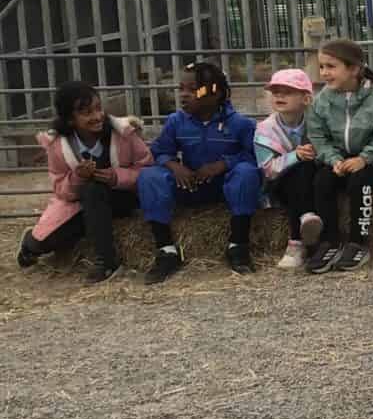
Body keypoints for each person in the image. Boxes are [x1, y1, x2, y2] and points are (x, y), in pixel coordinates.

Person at [137, 61, 261, 284]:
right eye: (181, 89)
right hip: (190, 185)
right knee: (150, 176)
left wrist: (222, 165)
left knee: (246, 172)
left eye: (193, 89)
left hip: (224, 189)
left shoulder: (240, 124)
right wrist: (175, 166)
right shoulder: (176, 122)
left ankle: (238, 245)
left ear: (216, 92)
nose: (184, 95)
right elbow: (160, 151)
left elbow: (254, 155)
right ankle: (166, 250)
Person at [17, 82, 151, 284]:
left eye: (98, 108)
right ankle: (30, 244)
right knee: (49, 238)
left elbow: (147, 168)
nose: (97, 116)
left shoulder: (124, 134)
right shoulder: (58, 145)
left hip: (123, 196)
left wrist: (117, 177)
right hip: (80, 205)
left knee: (94, 190)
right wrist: (77, 177)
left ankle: (106, 262)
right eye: (87, 113)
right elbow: (60, 189)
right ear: (70, 119)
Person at [304, 40, 373, 274]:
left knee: (360, 182)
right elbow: (318, 136)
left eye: (331, 66)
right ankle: (329, 242)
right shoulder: (321, 102)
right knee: (322, 180)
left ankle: (358, 243)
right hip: (339, 160)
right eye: (322, 66)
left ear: (354, 69)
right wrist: (333, 159)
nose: (324, 72)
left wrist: (364, 158)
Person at [254, 67, 321, 270]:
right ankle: (299, 235)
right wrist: (295, 156)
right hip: (279, 184)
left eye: (288, 92)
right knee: (297, 174)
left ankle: (301, 244)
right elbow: (267, 170)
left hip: (312, 177)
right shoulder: (265, 129)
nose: (279, 96)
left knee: (307, 170)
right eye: (275, 92)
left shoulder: (317, 123)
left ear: (306, 99)